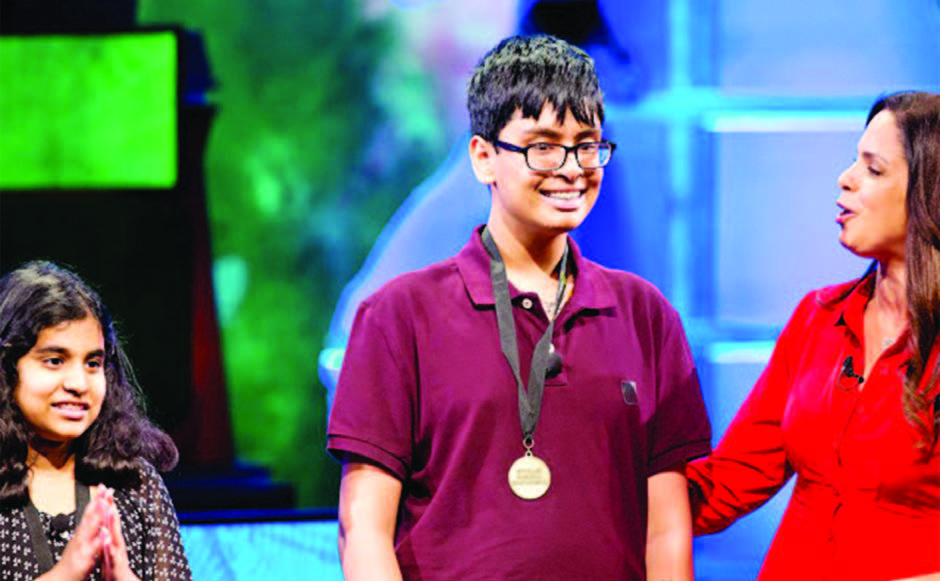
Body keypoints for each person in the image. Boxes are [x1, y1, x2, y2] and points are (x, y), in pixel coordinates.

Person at [327, 34, 711, 580]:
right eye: (544, 146)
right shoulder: (399, 315)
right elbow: (362, 526)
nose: (573, 168)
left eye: (587, 144)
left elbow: (667, 526)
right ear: (483, 157)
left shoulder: (646, 317)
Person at [686, 91, 940, 580]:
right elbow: (733, 480)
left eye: (874, 169)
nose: (844, 179)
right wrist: (612, 492)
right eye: (853, 161)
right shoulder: (819, 318)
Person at [0, 261, 192, 580]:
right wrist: (67, 573)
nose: (78, 383)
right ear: (7, 367)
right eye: (54, 361)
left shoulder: (135, 483)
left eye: (93, 363)